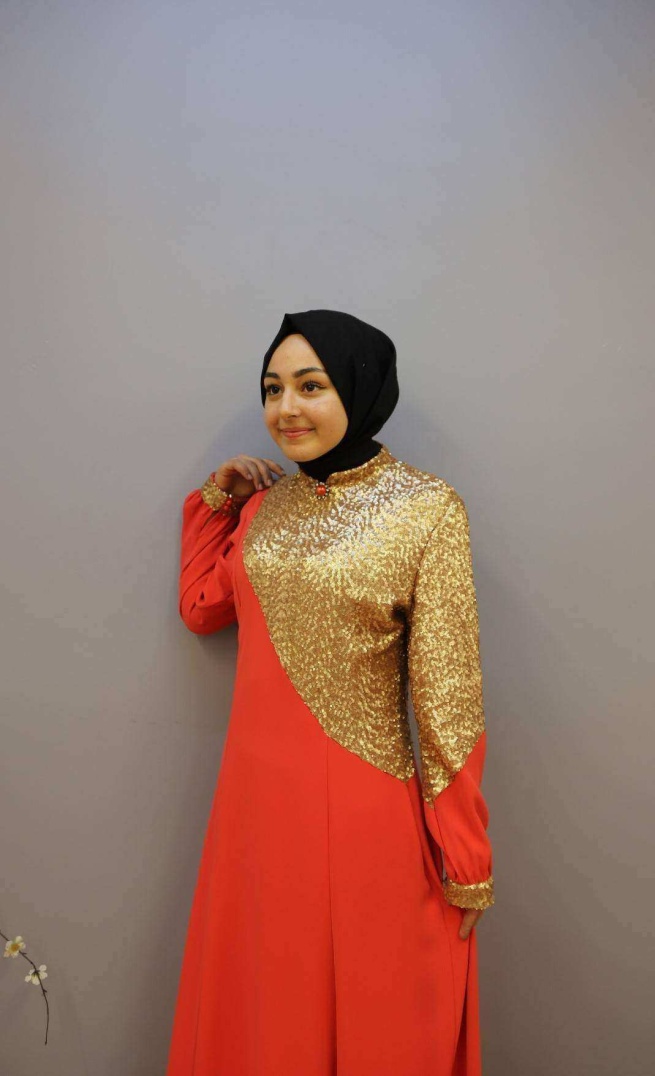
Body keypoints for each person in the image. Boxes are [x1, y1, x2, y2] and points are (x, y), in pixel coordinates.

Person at [166, 309, 495, 1076]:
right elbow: (202, 609)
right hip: (253, 813)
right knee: (266, 1011)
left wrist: (465, 855)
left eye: (310, 386)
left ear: (358, 385)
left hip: (362, 810)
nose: (286, 408)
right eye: (272, 388)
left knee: (373, 1012)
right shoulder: (263, 507)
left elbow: (448, 696)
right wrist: (219, 499)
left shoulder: (425, 509)